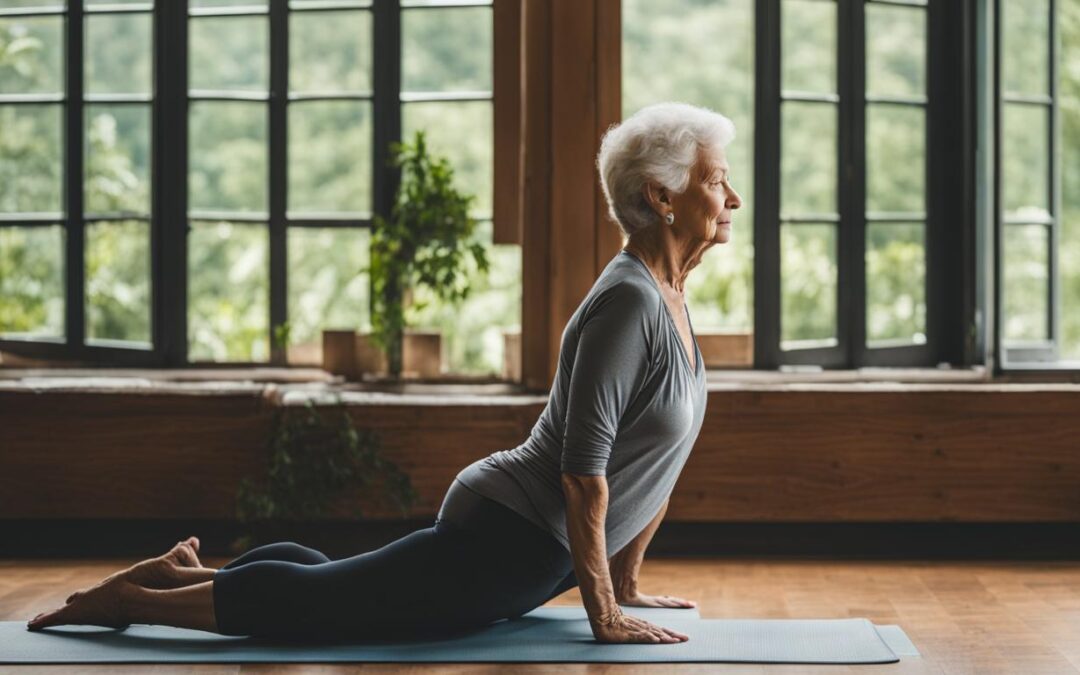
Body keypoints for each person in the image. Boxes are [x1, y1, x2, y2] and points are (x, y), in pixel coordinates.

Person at [27, 101, 742, 645]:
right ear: (661, 197)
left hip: (535, 548)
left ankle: (182, 575)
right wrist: (605, 613)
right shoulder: (628, 303)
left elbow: (657, 463)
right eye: (716, 181)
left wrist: (627, 583)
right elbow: (585, 475)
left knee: (338, 583)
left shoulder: (670, 297)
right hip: (511, 534)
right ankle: (133, 602)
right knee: (322, 608)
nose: (732, 198)